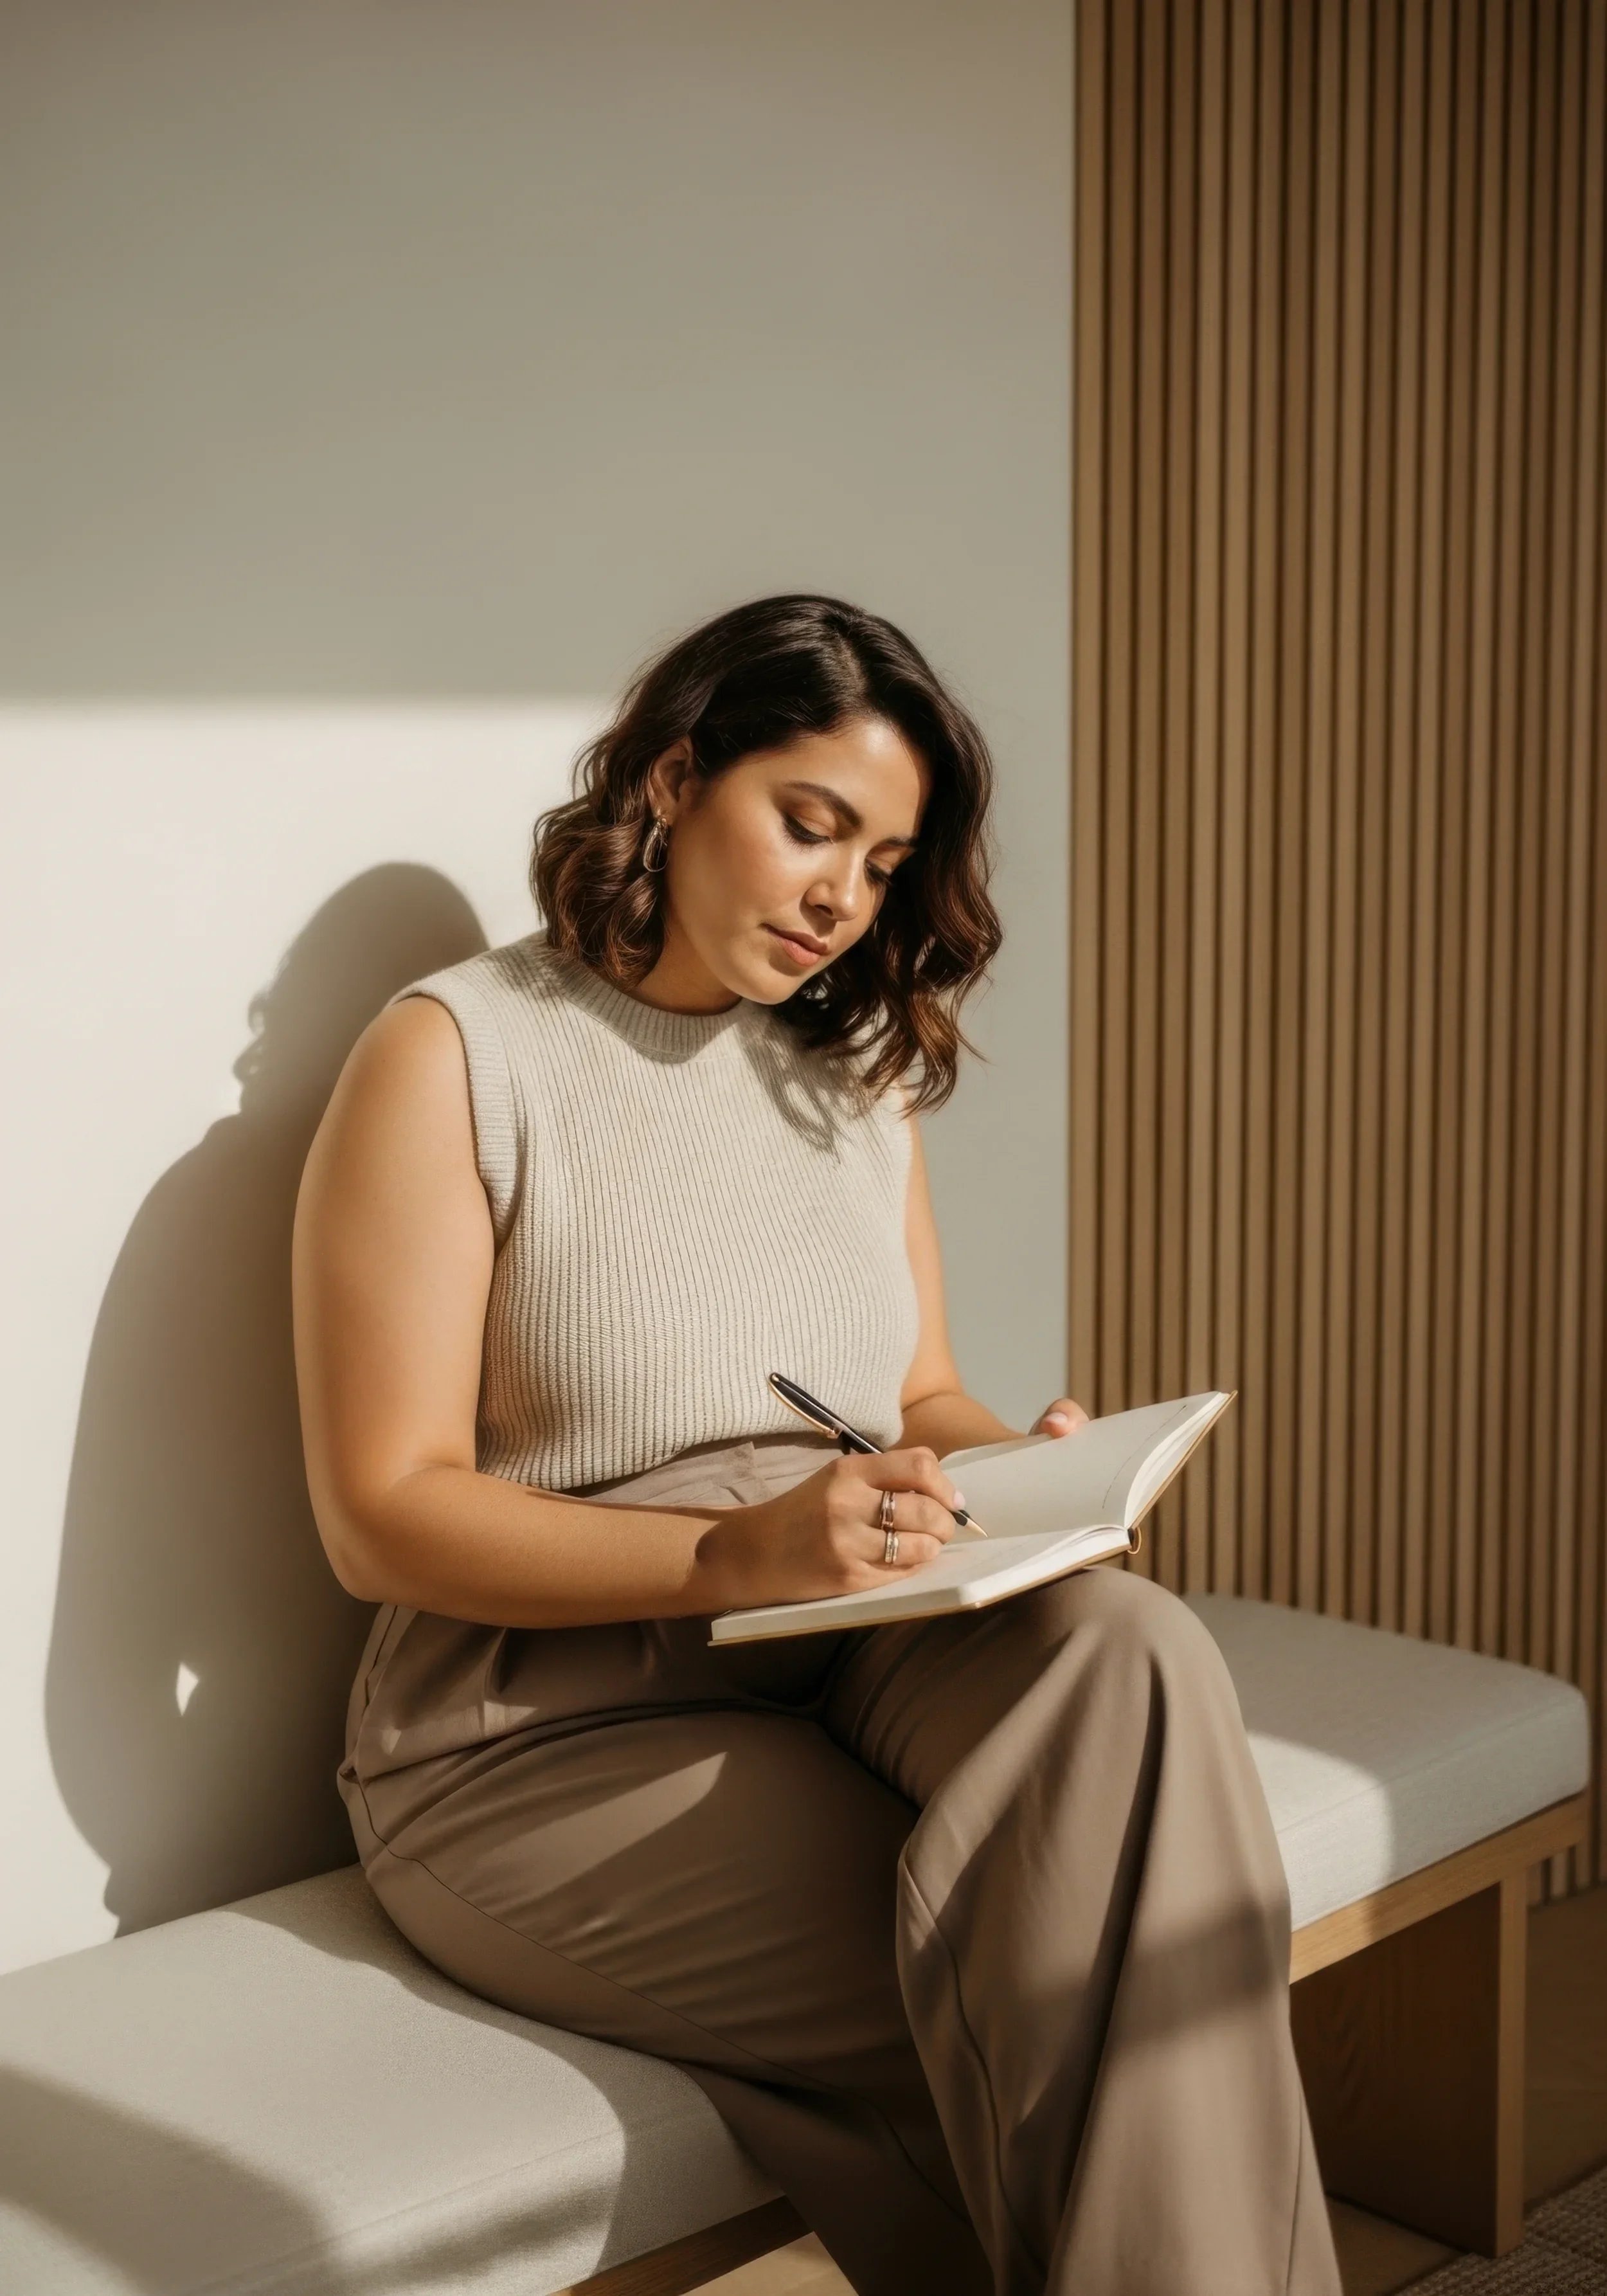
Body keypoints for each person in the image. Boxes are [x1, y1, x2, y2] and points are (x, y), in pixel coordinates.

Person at [291, 593, 1342, 2296]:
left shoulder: (849, 1078)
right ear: (672, 776)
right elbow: (379, 1512)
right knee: (1100, 1976)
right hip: (537, 1722)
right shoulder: (455, 1051)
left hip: (839, 1623)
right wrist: (723, 1552)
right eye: (811, 823)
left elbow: (913, 1394)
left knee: (1128, 1649)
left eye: (883, 857)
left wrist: (1027, 1476)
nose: (842, 894)